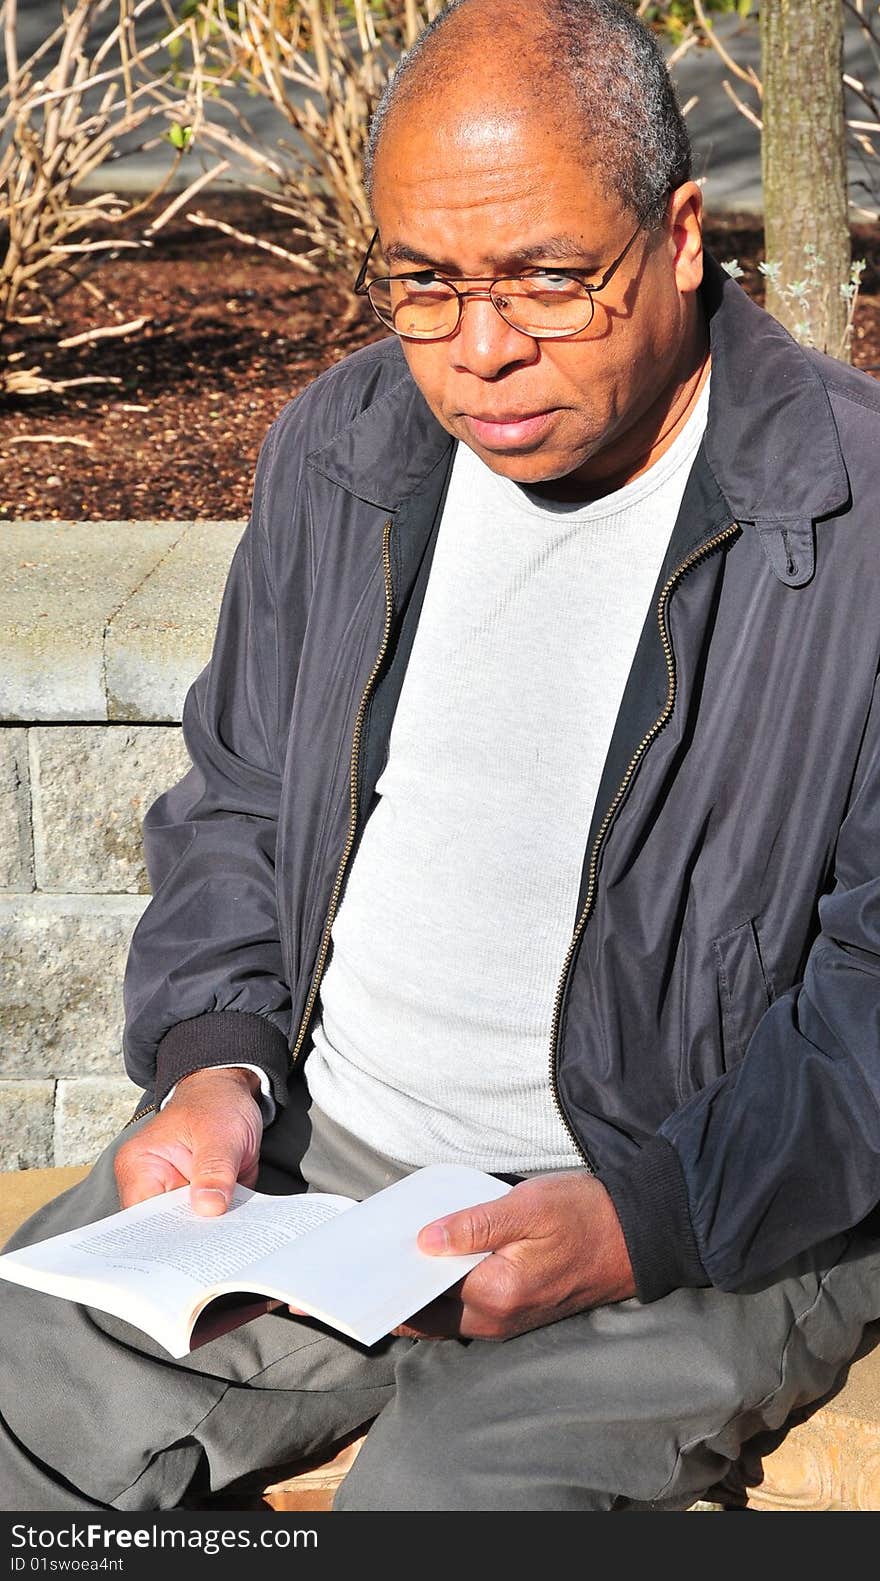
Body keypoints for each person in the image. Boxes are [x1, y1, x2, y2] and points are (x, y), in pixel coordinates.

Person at [3, 0, 880, 1513]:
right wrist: (212, 1065)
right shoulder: (344, 449)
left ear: (680, 238)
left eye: (550, 278)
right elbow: (240, 801)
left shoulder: (854, 517)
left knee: (434, 1511)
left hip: (694, 1214)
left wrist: (640, 1218)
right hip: (304, 1175)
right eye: (425, 285)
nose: (482, 352)